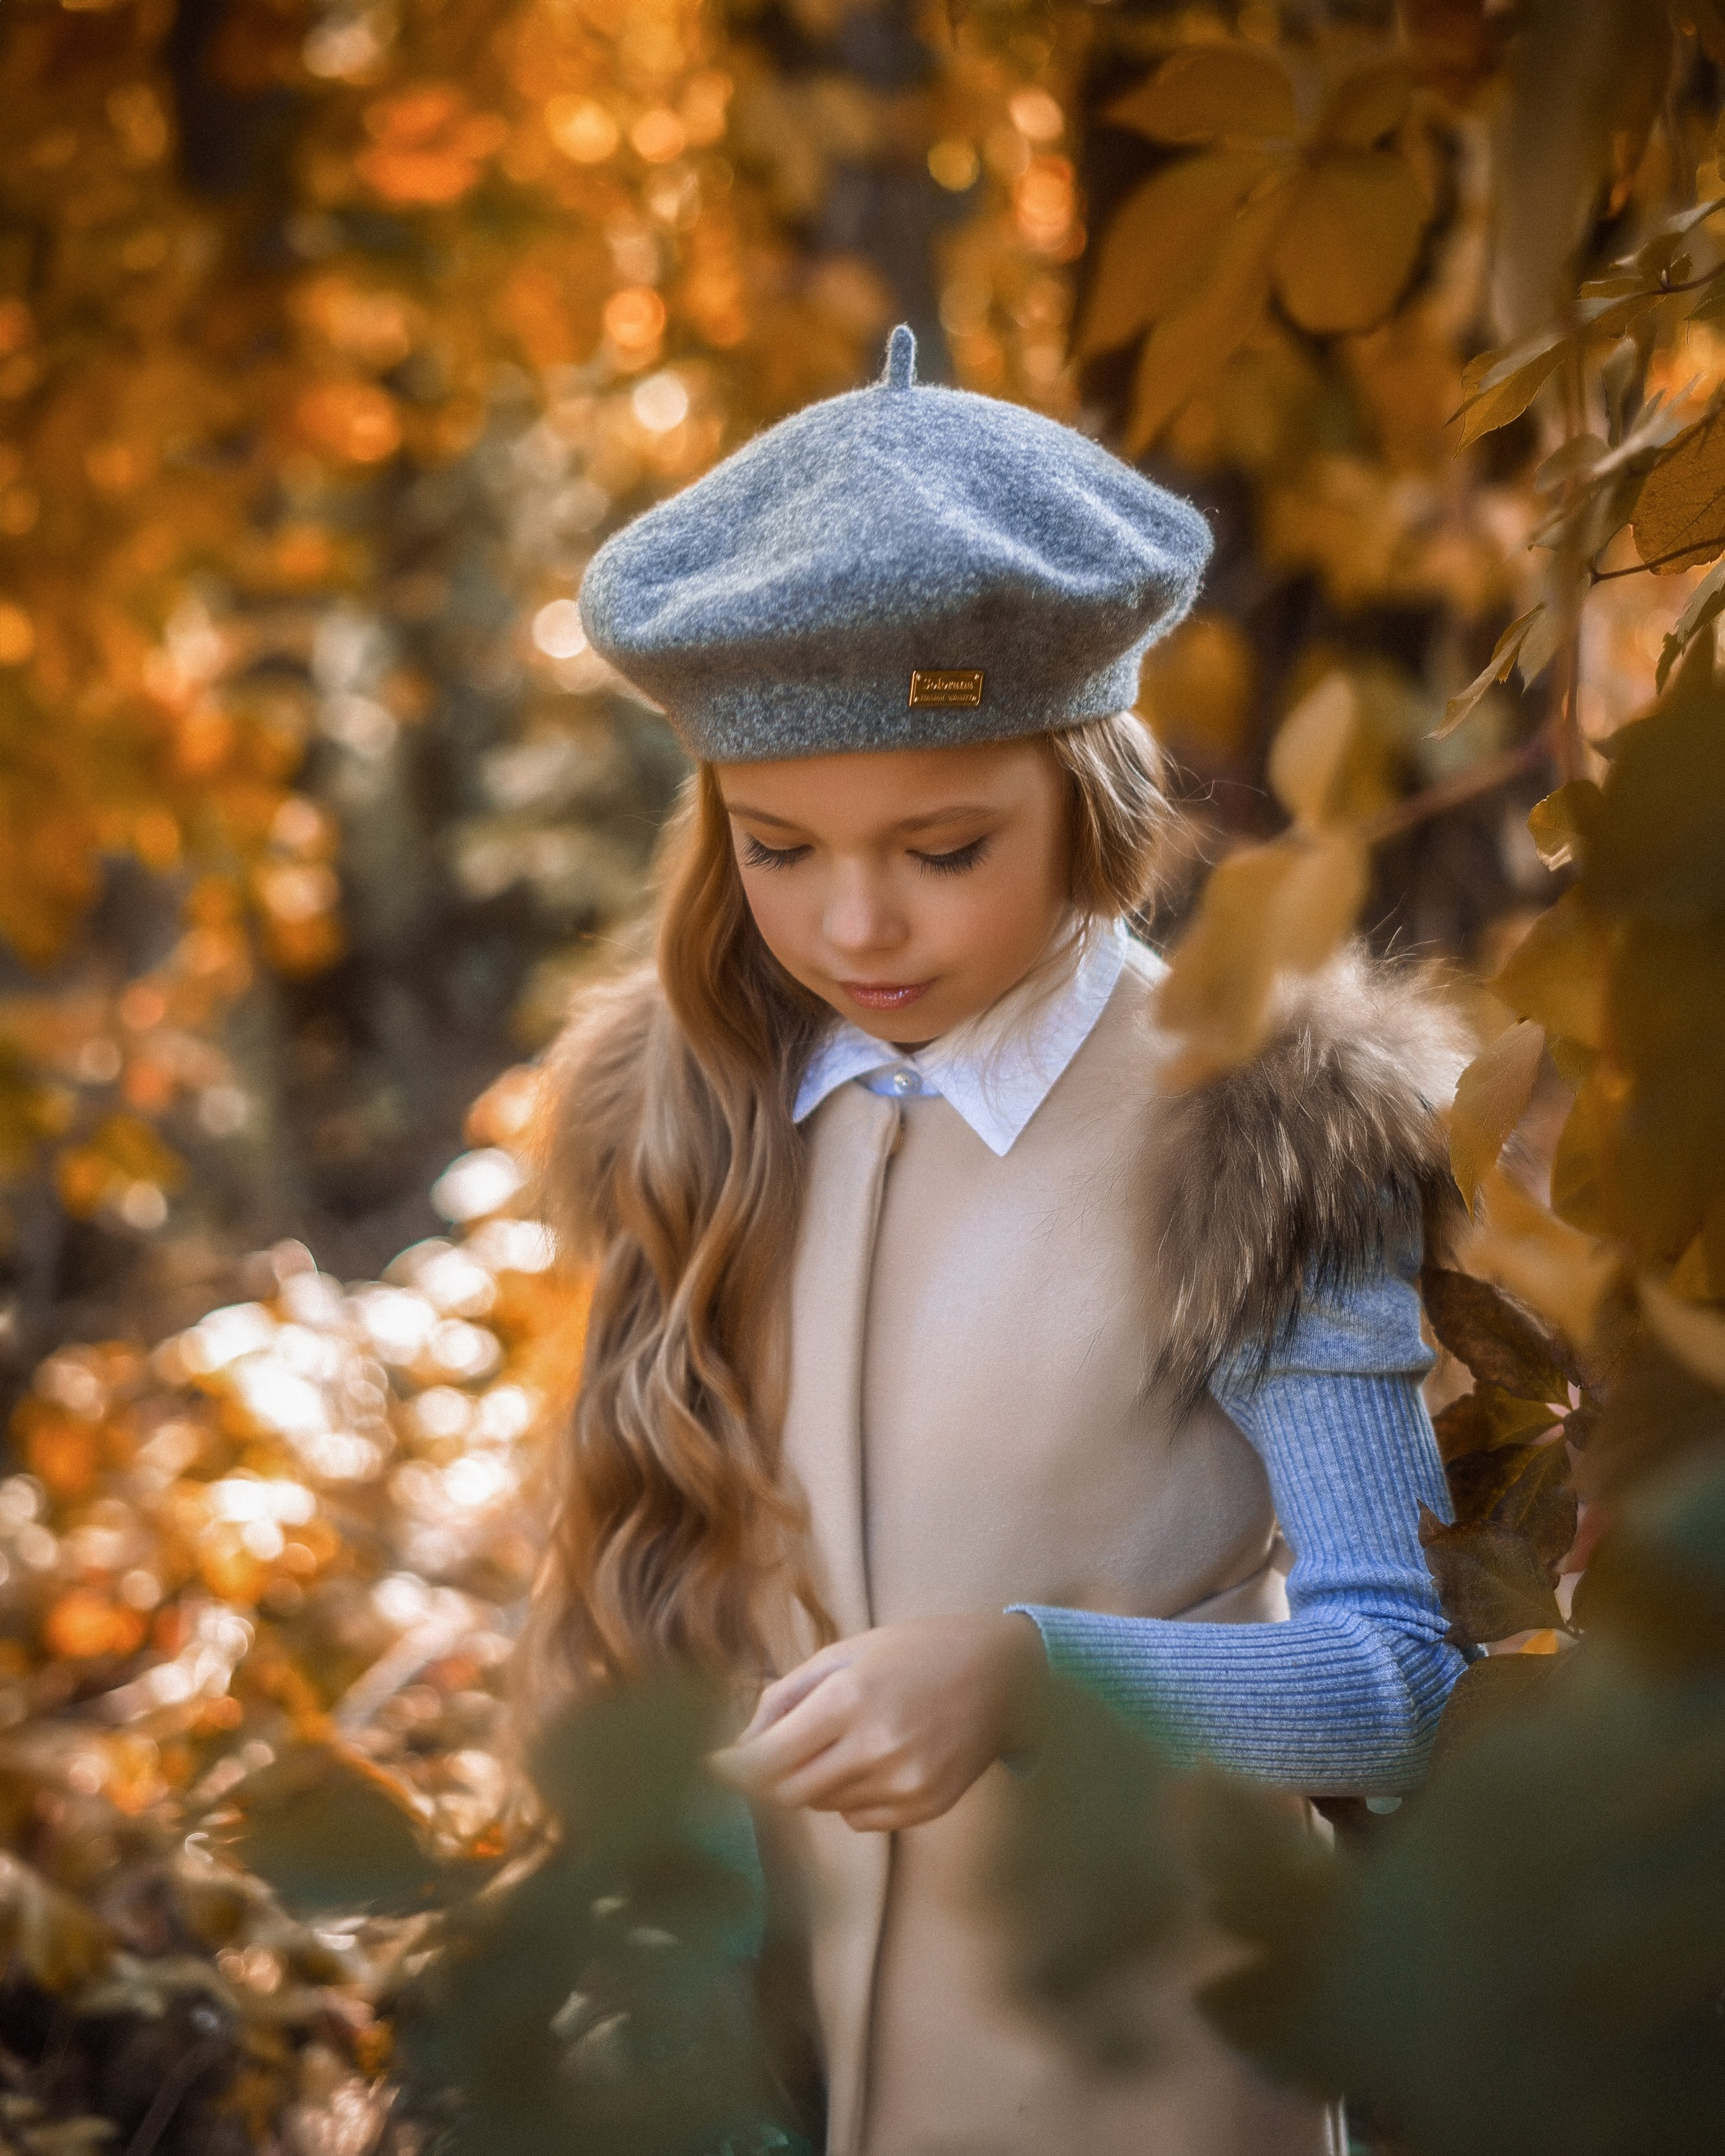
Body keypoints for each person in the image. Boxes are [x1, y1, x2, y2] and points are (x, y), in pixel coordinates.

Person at [520, 325, 1471, 2156]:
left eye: (946, 847)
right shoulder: (691, 1107)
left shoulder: (1256, 1130)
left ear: (1086, 799)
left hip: (1150, 2079)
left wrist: (1032, 1672)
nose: (855, 923)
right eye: (779, 846)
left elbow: (1395, 1687)